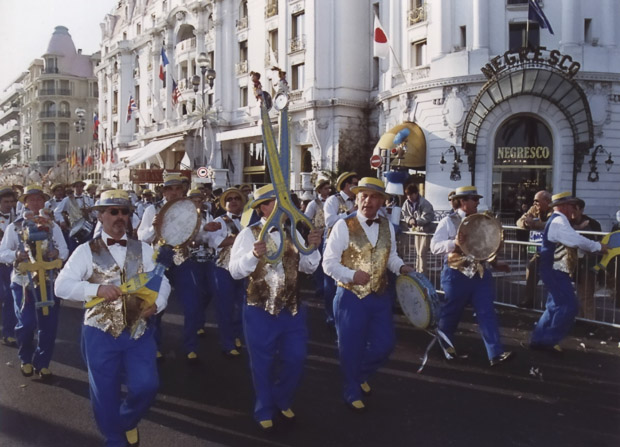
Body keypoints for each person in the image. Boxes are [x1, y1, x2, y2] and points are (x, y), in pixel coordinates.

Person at [55, 189, 170, 447]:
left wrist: (158, 304)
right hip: (100, 331)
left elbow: (161, 281)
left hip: (138, 329)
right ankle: (114, 438)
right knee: (105, 393)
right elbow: (61, 286)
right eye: (113, 211)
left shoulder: (144, 249)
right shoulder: (85, 251)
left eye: (124, 212)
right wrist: (95, 289)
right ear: (100, 215)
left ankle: (126, 420)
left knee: (147, 385)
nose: (119, 217)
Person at [229, 184, 322, 431]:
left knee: (296, 358)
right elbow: (235, 271)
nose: (282, 207)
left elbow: (309, 267)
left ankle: (281, 398)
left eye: (283, 201)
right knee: (262, 364)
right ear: (263, 208)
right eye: (275, 202)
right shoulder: (248, 234)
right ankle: (264, 408)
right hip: (259, 310)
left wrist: (312, 247)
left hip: (291, 309)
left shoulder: (293, 232)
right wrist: (252, 255)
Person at [323, 177, 414, 412]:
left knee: (385, 345)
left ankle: (359, 374)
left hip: (380, 296)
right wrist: (351, 275)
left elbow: (390, 256)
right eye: (363, 196)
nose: (368, 201)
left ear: (382, 201)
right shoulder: (342, 225)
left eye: (374, 197)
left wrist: (401, 267)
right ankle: (351, 389)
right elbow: (328, 263)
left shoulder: (387, 226)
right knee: (351, 348)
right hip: (350, 297)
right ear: (357, 198)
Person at [430, 186, 514, 367]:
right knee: (451, 314)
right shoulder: (448, 221)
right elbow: (434, 246)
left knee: (487, 312)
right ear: (463, 201)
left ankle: (496, 353)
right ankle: (445, 346)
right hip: (456, 274)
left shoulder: (480, 220)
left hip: (480, 275)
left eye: (477, 199)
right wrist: (454, 243)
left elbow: (484, 247)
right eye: (474, 199)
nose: (477, 202)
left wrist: (495, 263)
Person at [138, 174, 217, 363]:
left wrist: (206, 231)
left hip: (183, 260)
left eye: (177, 189)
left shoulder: (189, 209)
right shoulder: (152, 209)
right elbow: (142, 237)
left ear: (182, 191)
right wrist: (154, 227)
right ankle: (155, 345)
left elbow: (195, 236)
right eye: (170, 189)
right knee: (155, 306)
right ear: (163, 192)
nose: (174, 192)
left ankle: (191, 346)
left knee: (192, 305)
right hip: (158, 261)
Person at [0, 184, 68, 378]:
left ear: (44, 202)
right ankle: (25, 359)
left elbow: (64, 250)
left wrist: (57, 253)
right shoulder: (15, 227)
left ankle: (42, 363)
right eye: (32, 199)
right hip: (23, 282)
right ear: (26, 203)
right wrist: (16, 255)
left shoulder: (52, 226)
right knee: (26, 322)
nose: (36, 203)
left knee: (49, 325)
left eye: (39, 199)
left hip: (48, 280)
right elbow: (2, 252)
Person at [525, 192, 607, 352]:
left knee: (553, 306)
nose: (574, 209)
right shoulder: (559, 221)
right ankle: (548, 341)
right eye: (572, 205)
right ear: (563, 206)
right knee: (569, 306)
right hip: (555, 270)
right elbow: (575, 240)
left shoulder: (558, 220)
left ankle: (537, 339)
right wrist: (598, 246)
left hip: (554, 270)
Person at [209, 188, 246, 356]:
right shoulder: (219, 221)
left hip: (244, 268)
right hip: (223, 269)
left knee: (243, 305)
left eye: (236, 198)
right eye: (229, 199)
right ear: (224, 204)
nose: (233, 201)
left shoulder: (248, 219)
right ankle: (227, 342)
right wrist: (239, 238)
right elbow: (216, 242)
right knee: (225, 307)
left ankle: (237, 335)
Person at [322, 172, 358, 327]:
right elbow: (330, 221)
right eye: (355, 183)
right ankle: (331, 315)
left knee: (346, 281)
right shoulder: (333, 200)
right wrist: (349, 213)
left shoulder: (357, 200)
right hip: (333, 244)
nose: (357, 187)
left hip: (351, 246)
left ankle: (344, 316)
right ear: (347, 185)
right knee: (331, 282)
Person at [516, 190, 552, 308]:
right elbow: (519, 222)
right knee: (531, 269)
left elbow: (552, 224)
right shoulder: (533, 209)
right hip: (538, 250)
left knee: (551, 277)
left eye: (537, 201)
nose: (534, 203)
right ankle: (528, 300)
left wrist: (535, 224)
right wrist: (527, 223)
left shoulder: (553, 210)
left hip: (554, 251)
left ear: (547, 201)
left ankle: (551, 304)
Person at [571, 199, 602, 319]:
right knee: (579, 293)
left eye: (574, 208)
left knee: (586, 294)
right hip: (574, 262)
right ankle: (581, 319)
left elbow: (596, 244)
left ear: (581, 210)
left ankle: (589, 321)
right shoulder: (568, 222)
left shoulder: (592, 224)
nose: (571, 211)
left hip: (588, 262)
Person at [305, 179, 331, 308]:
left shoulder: (332, 201)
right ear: (319, 190)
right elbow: (305, 219)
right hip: (318, 236)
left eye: (329, 188)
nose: (328, 190)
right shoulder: (313, 204)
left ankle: (328, 287)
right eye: (325, 188)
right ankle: (320, 287)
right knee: (319, 262)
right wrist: (314, 230)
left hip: (330, 235)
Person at [401, 184, 435, 275]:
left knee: (422, 253)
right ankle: (417, 272)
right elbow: (404, 214)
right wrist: (409, 220)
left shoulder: (425, 203)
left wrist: (416, 221)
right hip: (417, 231)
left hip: (426, 231)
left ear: (416, 193)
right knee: (418, 253)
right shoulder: (406, 203)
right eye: (407, 195)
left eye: (411, 194)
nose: (409, 197)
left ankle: (422, 274)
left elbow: (428, 216)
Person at [0, 187, 17, 346]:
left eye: (12, 202)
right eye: (6, 202)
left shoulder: (17, 218)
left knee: (10, 297)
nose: (9, 205)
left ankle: (8, 332)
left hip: (8, 263)